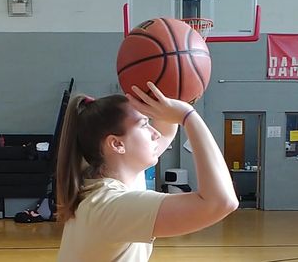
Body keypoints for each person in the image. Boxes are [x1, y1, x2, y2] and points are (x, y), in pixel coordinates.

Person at [56, 81, 238, 262]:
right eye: (144, 125)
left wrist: (161, 93)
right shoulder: (111, 205)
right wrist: (189, 116)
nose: (155, 133)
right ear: (117, 144)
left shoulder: (110, 176)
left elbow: (165, 132)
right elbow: (220, 202)